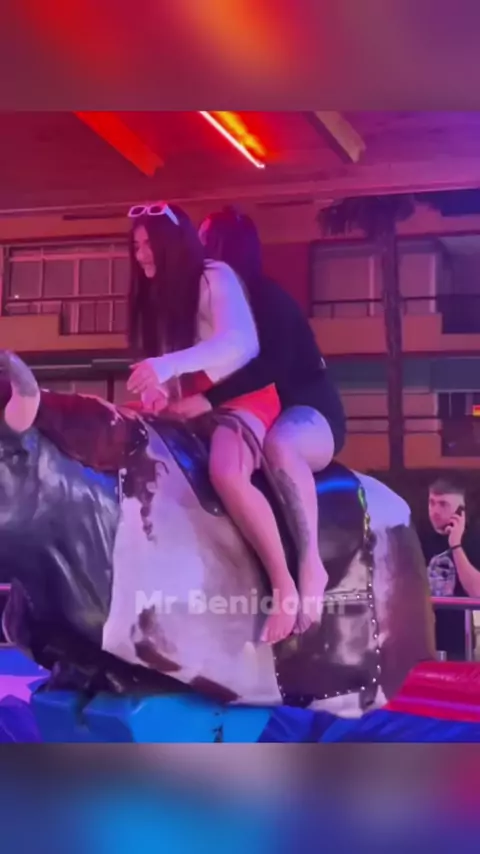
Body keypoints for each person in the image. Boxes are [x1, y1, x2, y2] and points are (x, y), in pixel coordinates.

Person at [125, 201, 299, 644]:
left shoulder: (213, 276)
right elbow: (174, 369)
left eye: (148, 244)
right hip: (192, 404)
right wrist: (159, 392)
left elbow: (240, 344)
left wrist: (167, 367)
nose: (141, 254)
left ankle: (285, 585)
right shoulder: (162, 294)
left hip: (242, 400)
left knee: (226, 471)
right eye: (136, 245)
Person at [182, 206, 346, 633]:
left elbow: (270, 366)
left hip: (309, 409)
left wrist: (208, 399)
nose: (198, 248)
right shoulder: (213, 301)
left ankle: (310, 564)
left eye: (206, 240)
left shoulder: (267, 299)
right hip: (262, 408)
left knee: (281, 448)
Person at [422, 475, 480, 659]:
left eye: (443, 504)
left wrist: (456, 545)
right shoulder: (419, 536)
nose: (435, 511)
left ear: (460, 510)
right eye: (431, 503)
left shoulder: (473, 540)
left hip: (459, 643)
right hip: (423, 639)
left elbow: (477, 592)